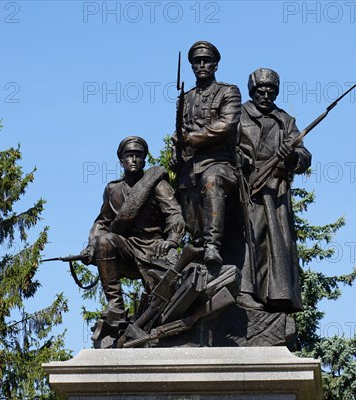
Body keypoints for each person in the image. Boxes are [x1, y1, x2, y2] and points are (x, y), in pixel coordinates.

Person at [80, 136, 185, 325]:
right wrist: (90, 246)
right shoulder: (113, 190)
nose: (134, 159)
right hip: (127, 249)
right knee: (104, 241)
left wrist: (172, 241)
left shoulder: (157, 185)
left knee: (168, 299)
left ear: (145, 159)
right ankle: (116, 307)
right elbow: (102, 223)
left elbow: (174, 213)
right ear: (121, 160)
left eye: (138, 155)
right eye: (129, 155)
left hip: (154, 248)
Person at [237, 68, 312, 313]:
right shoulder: (240, 115)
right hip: (247, 184)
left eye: (270, 91)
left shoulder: (285, 120)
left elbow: (304, 155)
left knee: (277, 245)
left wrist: (290, 156)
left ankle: (275, 297)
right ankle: (245, 291)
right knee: (250, 237)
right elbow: (227, 146)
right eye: (261, 90)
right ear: (252, 91)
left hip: (275, 190)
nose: (265, 95)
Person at [174, 40, 242, 267]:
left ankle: (213, 247)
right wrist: (178, 149)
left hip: (220, 163)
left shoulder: (228, 91)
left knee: (211, 180)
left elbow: (226, 125)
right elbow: (180, 131)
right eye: (197, 61)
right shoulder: (184, 98)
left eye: (207, 60)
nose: (202, 64)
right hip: (189, 168)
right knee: (193, 226)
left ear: (215, 65)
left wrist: (190, 139)